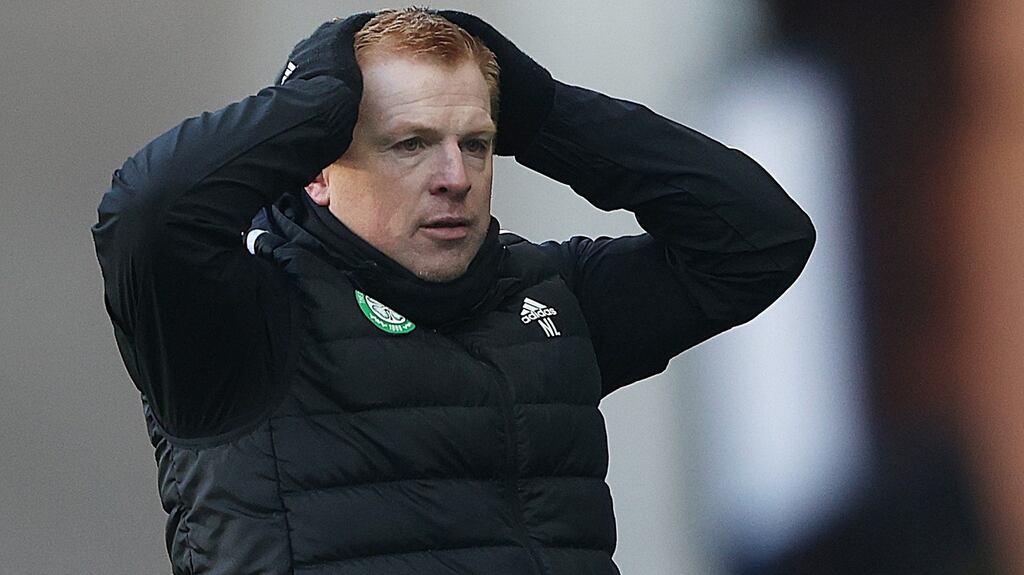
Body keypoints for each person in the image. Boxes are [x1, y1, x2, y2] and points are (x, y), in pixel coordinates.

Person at [92, 8, 814, 575]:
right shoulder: (241, 324)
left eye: (475, 142)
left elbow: (759, 238)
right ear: (313, 168)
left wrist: (543, 111)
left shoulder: (552, 297)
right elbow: (148, 213)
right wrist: (314, 100)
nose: (456, 176)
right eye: (409, 143)